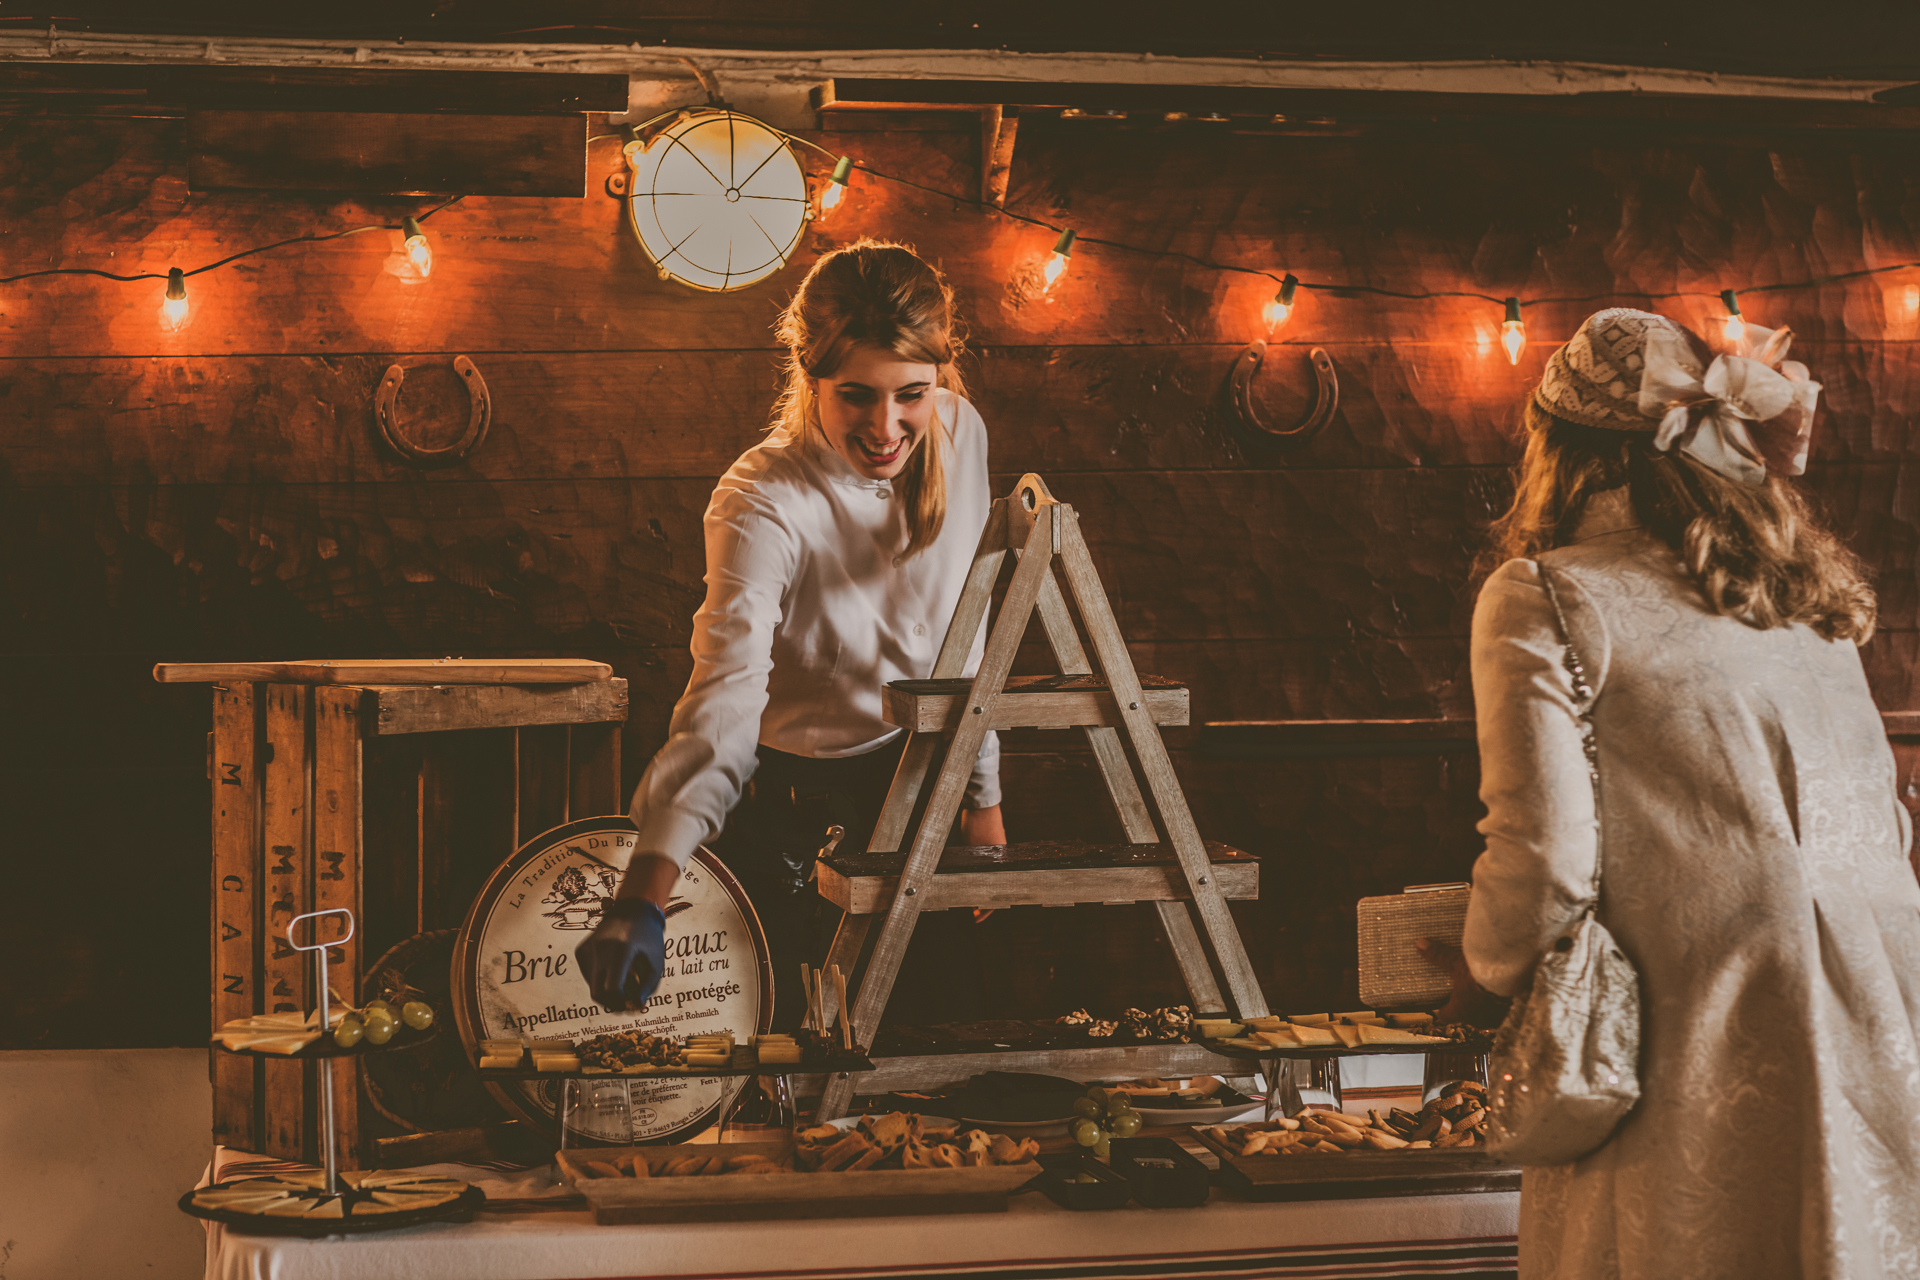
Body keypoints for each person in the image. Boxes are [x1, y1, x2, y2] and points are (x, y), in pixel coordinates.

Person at [1429, 308, 1920, 1278]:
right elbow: (1890, 826)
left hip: (1690, 1039)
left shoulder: (1545, 594)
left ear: (1558, 453)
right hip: (1884, 1016)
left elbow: (1546, 864)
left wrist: (1480, 973)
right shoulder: (1799, 596)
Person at [574, 240, 1006, 1024]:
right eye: (856, 396)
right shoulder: (761, 496)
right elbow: (727, 697)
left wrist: (980, 797)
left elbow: (964, 638)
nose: (887, 427)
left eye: (911, 393)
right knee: (781, 1066)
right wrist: (645, 888)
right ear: (810, 376)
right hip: (781, 803)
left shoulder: (962, 434)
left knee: (937, 1046)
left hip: (917, 786)